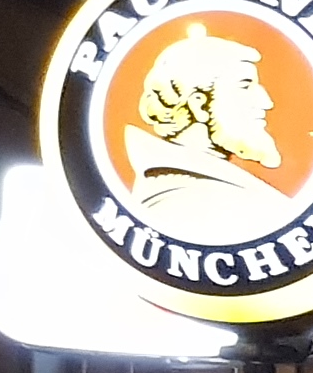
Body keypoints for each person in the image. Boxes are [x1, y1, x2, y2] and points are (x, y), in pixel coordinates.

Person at [117, 28, 296, 247]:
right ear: (199, 105)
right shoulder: (181, 203)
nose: (266, 102)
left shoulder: (211, 189)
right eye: (245, 85)